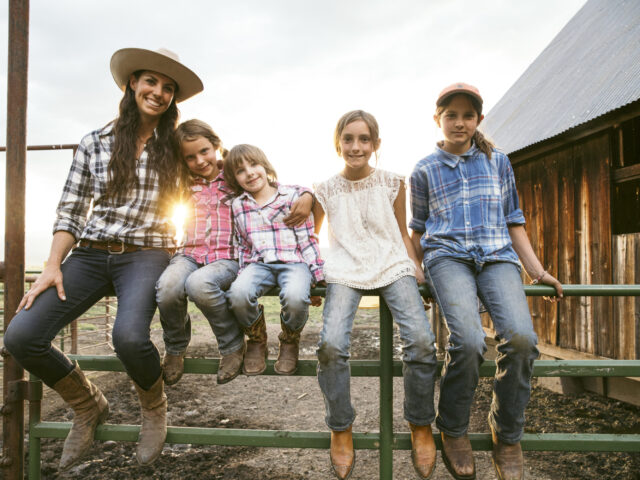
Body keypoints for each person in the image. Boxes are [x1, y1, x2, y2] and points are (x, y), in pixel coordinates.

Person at [3, 47, 203, 470]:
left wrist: (302, 198)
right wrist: (54, 264)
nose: (159, 92)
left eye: (169, 88)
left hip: (148, 252)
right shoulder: (95, 142)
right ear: (132, 83)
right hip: (91, 254)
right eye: (152, 81)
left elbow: (218, 173)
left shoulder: (176, 145)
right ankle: (88, 403)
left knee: (129, 338)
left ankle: (153, 407)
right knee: (21, 337)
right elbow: (71, 210)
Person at [409, 83, 563, 480]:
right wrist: (417, 268)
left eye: (468, 115)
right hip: (448, 258)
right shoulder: (424, 169)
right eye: (451, 115)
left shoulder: (499, 162)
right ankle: (453, 428)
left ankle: (506, 433)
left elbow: (515, 221)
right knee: (470, 340)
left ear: (479, 119)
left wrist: (538, 271)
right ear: (437, 119)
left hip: (496, 257)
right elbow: (418, 230)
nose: (459, 122)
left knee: (522, 339)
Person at [314, 110, 439, 480]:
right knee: (332, 344)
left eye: (364, 139)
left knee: (420, 339)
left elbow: (402, 232)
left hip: (391, 264)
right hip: (343, 269)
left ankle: (419, 424)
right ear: (338, 144)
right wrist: (310, 277)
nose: (356, 146)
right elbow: (311, 239)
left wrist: (417, 268)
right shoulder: (324, 190)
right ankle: (340, 427)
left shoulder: (392, 182)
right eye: (348, 139)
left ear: (376, 144)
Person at [155, 121, 314, 386]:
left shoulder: (232, 176)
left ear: (215, 146)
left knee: (199, 285)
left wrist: (308, 195)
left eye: (204, 151)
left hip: (226, 255)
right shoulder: (181, 181)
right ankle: (174, 347)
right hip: (189, 252)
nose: (199, 160)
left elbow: (272, 188)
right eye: (190, 157)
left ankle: (231, 345)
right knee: (167, 287)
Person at [224, 144, 324, 377]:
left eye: (254, 164)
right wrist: (243, 274)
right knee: (237, 294)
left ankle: (290, 339)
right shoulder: (239, 205)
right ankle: (257, 339)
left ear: (265, 166)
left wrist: (317, 276)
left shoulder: (292, 196)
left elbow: (307, 239)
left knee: (296, 297)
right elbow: (243, 245)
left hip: (294, 262)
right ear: (234, 179)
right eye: (240, 171)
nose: (249, 173)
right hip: (258, 264)